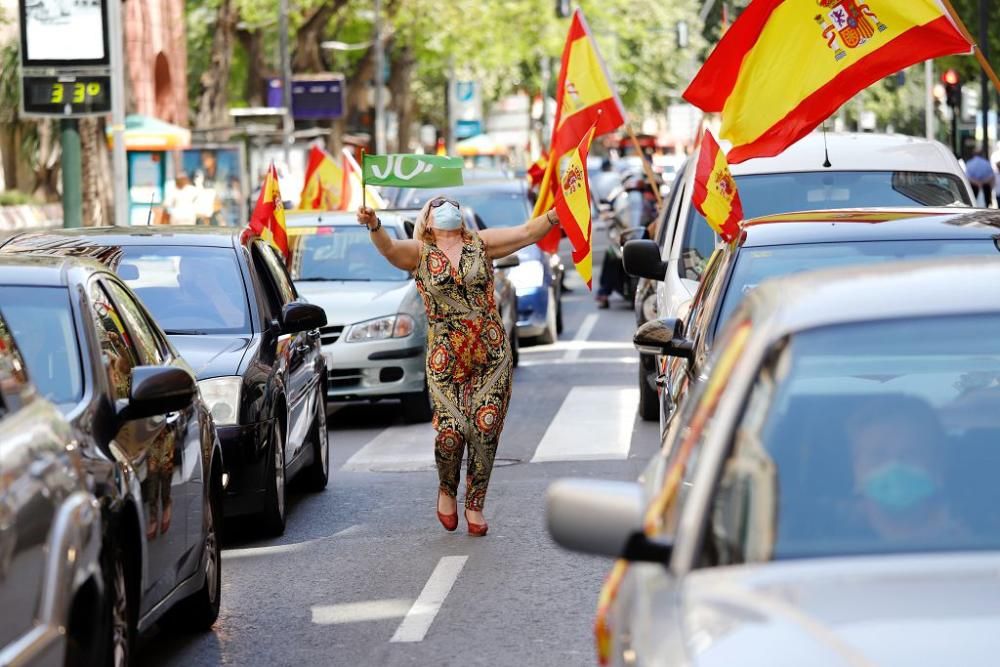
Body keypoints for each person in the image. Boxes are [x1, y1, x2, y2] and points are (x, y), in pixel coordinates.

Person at [357, 198, 560, 535]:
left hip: (491, 353)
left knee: (485, 428)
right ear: (428, 218)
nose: (446, 207)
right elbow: (389, 249)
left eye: (451, 203)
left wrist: (555, 214)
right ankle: (447, 489)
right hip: (445, 357)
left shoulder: (480, 243)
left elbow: (525, 232)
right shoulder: (419, 251)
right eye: (438, 205)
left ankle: (475, 504)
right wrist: (374, 224)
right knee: (451, 433)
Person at [845, 397, 965, 544]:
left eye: (910, 454)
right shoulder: (824, 543)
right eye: (878, 456)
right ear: (856, 467)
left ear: (937, 464)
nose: (894, 468)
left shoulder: (977, 544)